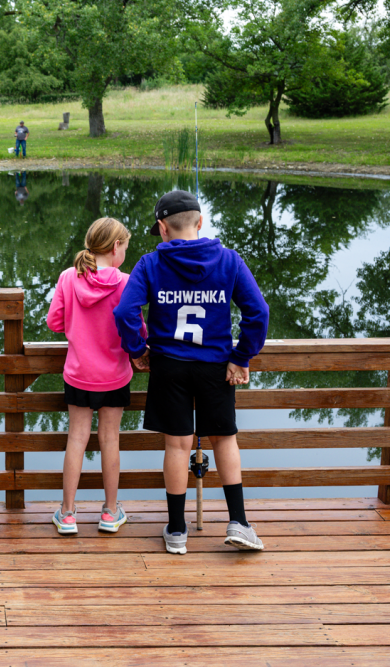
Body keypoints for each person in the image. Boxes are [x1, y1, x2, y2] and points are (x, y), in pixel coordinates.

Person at [114, 190, 269, 554]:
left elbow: (124, 313)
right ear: (199, 223)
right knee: (224, 439)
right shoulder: (229, 261)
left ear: (163, 228)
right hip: (216, 365)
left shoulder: (150, 264)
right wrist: (242, 356)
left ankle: (177, 529)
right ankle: (240, 523)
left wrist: (137, 350)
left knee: (177, 445)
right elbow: (258, 312)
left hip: (169, 366)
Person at [47, 217, 146, 535]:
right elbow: (137, 328)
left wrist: (79, 327)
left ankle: (67, 513)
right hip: (115, 375)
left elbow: (54, 322)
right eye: (126, 248)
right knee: (110, 440)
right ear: (116, 246)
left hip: (78, 374)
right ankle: (110, 512)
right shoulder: (126, 282)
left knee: (76, 439)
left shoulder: (67, 277)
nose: (125, 254)